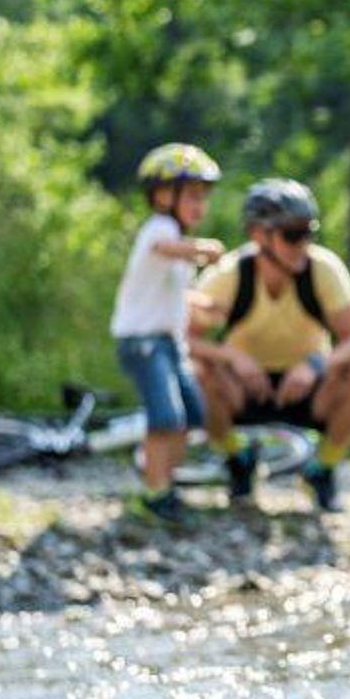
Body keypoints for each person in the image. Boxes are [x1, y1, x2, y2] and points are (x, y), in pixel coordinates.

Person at [188, 179, 350, 513]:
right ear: (258, 235)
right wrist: (232, 357)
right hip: (244, 389)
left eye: (309, 231)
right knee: (195, 372)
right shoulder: (229, 274)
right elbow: (185, 338)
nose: (303, 243)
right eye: (292, 234)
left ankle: (321, 469)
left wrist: (315, 365)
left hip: (310, 389)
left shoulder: (323, 269)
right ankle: (237, 458)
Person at [109, 143, 227, 520]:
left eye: (203, 197)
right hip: (143, 342)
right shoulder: (160, 229)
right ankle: (155, 492)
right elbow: (165, 247)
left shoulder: (176, 243)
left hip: (169, 343)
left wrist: (207, 305)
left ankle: (162, 479)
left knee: (192, 414)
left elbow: (175, 292)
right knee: (166, 416)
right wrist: (201, 249)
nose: (200, 205)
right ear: (162, 195)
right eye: (191, 195)